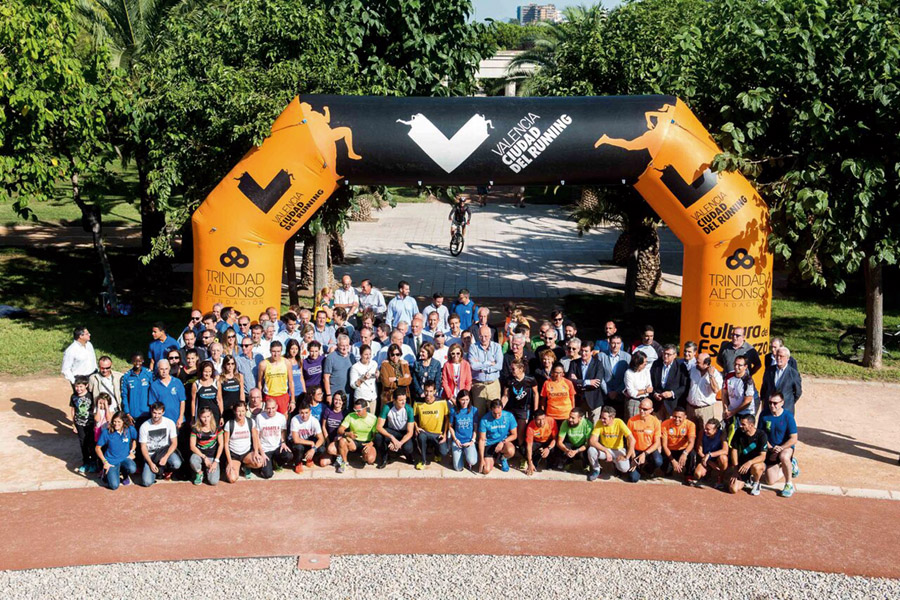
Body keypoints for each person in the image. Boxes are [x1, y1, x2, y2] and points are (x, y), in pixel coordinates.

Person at [759, 392, 800, 497]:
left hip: (785, 447)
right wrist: (770, 448)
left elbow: (794, 438)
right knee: (770, 481)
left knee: (784, 457)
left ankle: (789, 484)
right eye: (770, 403)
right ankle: (790, 466)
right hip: (771, 449)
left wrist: (781, 448)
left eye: (775, 403)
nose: (772, 405)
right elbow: (760, 434)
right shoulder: (764, 415)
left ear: (782, 403)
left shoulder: (788, 416)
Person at [587, 405, 638, 483]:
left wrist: (627, 457)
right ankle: (596, 470)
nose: (602, 420)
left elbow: (632, 440)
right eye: (601, 417)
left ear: (612, 418)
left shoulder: (619, 422)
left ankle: (616, 465)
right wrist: (606, 451)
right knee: (591, 450)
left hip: (618, 450)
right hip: (605, 450)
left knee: (624, 468)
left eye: (604, 418)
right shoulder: (599, 422)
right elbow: (592, 441)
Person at [138, 402, 182, 486]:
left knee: (176, 463)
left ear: (163, 412)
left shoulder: (170, 423)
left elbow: (174, 443)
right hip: (151, 455)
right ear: (151, 411)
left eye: (159, 413)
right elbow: (143, 447)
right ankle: (157, 472)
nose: (156, 416)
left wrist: (166, 457)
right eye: (154, 413)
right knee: (147, 482)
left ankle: (165, 471)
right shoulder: (144, 426)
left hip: (164, 451)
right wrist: (150, 463)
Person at [502, 359, 538, 453]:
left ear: (521, 369)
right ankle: (510, 451)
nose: (511, 371)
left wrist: (536, 409)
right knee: (511, 431)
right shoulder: (509, 380)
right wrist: (500, 408)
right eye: (511, 368)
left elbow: (535, 394)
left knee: (521, 433)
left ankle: (522, 452)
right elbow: (505, 395)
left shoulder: (530, 379)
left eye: (513, 369)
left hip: (524, 409)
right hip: (512, 409)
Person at [95, 411, 138, 490]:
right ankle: (106, 474)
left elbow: (134, 440)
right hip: (111, 461)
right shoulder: (107, 432)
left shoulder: (130, 429)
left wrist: (132, 451)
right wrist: (105, 462)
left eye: (119, 422)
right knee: (114, 486)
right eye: (114, 421)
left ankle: (125, 475)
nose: (116, 424)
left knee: (132, 468)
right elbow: (97, 448)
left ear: (123, 422)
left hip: (125, 458)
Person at [223, 401, 265, 482]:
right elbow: (226, 444)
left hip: (247, 453)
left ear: (246, 411)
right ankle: (235, 466)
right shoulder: (229, 424)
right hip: (234, 455)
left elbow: (255, 437)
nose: (241, 414)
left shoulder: (250, 422)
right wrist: (230, 461)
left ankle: (246, 466)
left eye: (243, 411)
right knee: (232, 479)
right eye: (238, 411)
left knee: (259, 462)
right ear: (234, 412)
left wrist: (256, 452)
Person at [374, 390, 416, 468]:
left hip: (403, 432)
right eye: (400, 400)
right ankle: (384, 457)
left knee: (408, 448)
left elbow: (410, 432)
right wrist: (392, 438)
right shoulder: (387, 407)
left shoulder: (409, 409)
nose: (403, 402)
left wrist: (399, 443)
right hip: (392, 431)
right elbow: (379, 427)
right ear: (394, 400)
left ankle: (408, 455)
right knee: (378, 436)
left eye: (405, 399)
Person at [729, 413, 768, 496]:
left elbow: (762, 456)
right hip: (743, 466)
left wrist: (750, 462)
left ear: (751, 425)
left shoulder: (762, 435)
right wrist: (735, 469)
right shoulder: (739, 432)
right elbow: (734, 450)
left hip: (756, 463)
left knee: (756, 467)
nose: (740, 426)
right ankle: (747, 480)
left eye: (743, 424)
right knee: (733, 489)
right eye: (740, 424)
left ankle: (756, 483)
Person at [335, 398, 378, 473]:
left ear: (365, 409)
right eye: (355, 410)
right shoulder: (350, 416)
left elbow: (376, 435)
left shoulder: (373, 418)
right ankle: (344, 463)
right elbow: (340, 430)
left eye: (358, 411)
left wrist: (371, 443)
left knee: (370, 459)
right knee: (342, 441)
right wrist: (347, 433)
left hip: (366, 443)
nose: (356, 413)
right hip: (353, 442)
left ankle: (364, 457)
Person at [413, 381, 450, 469]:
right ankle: (423, 461)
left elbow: (447, 418)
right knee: (421, 437)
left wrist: (445, 434)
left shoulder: (442, 401)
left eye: (430, 391)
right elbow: (413, 417)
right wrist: (416, 427)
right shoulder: (417, 402)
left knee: (444, 452)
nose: (428, 394)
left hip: (438, 433)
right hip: (424, 432)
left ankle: (437, 453)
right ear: (423, 390)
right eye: (426, 391)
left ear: (435, 391)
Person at [566, 341, 605, 421]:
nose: (583, 353)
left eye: (586, 351)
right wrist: (588, 382)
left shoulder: (598, 364)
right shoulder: (574, 363)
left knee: (593, 425)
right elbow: (570, 380)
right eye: (582, 350)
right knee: (579, 424)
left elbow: (597, 383)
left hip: (594, 400)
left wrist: (578, 381)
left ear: (592, 352)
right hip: (579, 400)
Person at [469, 326, 503, 414]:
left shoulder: (497, 347)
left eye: (486, 336)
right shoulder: (473, 347)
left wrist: (482, 367)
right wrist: (489, 363)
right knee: (478, 413)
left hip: (493, 385)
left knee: (495, 412)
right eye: (481, 336)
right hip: (478, 385)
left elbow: (499, 366)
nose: (483, 339)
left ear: (490, 335)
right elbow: (473, 366)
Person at [477, 399, 517, 474]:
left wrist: (503, 442)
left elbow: (514, 435)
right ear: (491, 409)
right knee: (486, 470)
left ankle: (503, 458)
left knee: (511, 450)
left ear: (502, 408)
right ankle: (494, 458)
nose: (497, 416)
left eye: (499, 413)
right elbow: (482, 440)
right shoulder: (484, 420)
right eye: (494, 413)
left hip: (503, 443)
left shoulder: (509, 416)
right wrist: (481, 459)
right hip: (489, 444)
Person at [626, 399, 663, 478]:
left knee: (658, 461)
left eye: (645, 409)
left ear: (651, 410)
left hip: (649, 450)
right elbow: (629, 441)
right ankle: (638, 467)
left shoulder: (655, 421)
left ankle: (647, 469)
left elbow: (657, 443)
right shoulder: (631, 421)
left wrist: (644, 454)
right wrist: (633, 457)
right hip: (635, 450)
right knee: (633, 479)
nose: (641, 411)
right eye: (640, 408)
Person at [685, 352, 722, 432]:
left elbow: (715, 390)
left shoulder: (716, 374)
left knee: (705, 432)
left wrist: (711, 375)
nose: (696, 363)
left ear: (706, 364)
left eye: (698, 362)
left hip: (705, 409)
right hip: (690, 408)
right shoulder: (693, 370)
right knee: (690, 431)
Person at [255, 398, 292, 479]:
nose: (270, 411)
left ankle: (276, 463)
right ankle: (266, 465)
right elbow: (256, 436)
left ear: (276, 407)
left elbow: (283, 431)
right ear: (265, 407)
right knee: (268, 475)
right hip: (265, 449)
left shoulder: (281, 417)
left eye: (273, 408)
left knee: (288, 455)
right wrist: (261, 452)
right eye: (268, 408)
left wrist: (283, 442)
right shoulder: (259, 417)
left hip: (277, 447)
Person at [760, 346, 803, 415]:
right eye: (777, 356)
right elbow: (764, 388)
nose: (778, 358)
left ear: (787, 358)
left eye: (781, 356)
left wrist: (789, 402)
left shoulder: (793, 374)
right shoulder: (769, 371)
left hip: (786, 409)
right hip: (769, 409)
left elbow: (798, 392)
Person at [723, 356, 757, 438]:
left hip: (745, 412)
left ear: (745, 367)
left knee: (745, 435)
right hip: (732, 411)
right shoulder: (729, 376)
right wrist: (725, 409)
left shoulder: (748, 380)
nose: (736, 367)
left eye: (739, 365)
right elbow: (724, 393)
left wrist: (733, 412)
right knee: (729, 434)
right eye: (735, 364)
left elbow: (747, 401)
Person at [649, 344, 687, 420]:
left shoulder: (681, 366)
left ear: (675, 355)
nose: (665, 356)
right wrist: (654, 393)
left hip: (672, 405)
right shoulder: (656, 364)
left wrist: (672, 393)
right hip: (657, 404)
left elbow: (684, 386)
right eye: (664, 353)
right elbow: (650, 381)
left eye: (668, 354)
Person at [258, 340, 295, 417]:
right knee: (269, 419)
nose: (276, 354)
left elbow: (291, 382)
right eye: (273, 351)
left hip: (282, 396)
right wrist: (260, 398)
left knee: (283, 420)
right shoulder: (263, 364)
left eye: (278, 351)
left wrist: (292, 400)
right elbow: (259, 382)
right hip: (269, 396)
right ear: (270, 351)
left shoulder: (287, 363)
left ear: (281, 351)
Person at [660, 407, 697, 483]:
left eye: (680, 417)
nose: (677, 419)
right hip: (670, 450)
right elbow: (664, 445)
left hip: (683, 449)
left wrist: (685, 454)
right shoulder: (665, 424)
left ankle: (689, 475)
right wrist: (673, 461)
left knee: (692, 454)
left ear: (685, 417)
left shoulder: (690, 425)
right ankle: (668, 470)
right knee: (667, 470)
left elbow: (691, 442)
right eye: (675, 416)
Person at [189, 406, 222, 485]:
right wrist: (204, 457)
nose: (206, 419)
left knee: (213, 482)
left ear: (211, 416)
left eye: (208, 416)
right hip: (200, 455)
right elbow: (192, 446)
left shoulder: (217, 428)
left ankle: (207, 470)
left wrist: (216, 461)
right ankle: (199, 473)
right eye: (203, 417)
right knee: (193, 460)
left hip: (212, 456)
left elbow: (221, 445)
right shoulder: (195, 429)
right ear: (199, 417)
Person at [70, 375, 97, 474]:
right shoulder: (73, 396)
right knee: (83, 443)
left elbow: (94, 409)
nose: (78, 389)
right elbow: (73, 410)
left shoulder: (91, 396)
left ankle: (94, 462)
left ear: (86, 385)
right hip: (79, 424)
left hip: (90, 423)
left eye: (81, 386)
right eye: (77, 386)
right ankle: (86, 462)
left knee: (91, 442)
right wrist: (74, 423)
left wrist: (96, 423)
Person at [693, 418, 729, 489]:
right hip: (705, 458)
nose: (705, 431)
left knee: (723, 458)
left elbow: (725, 450)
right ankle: (707, 474)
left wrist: (710, 455)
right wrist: (708, 461)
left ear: (716, 430)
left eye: (708, 429)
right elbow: (699, 450)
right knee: (697, 474)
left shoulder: (722, 434)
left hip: (717, 458)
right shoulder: (702, 432)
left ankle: (720, 479)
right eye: (705, 428)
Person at [599, 336, 630, 416]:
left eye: (618, 343)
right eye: (613, 343)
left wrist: (617, 391)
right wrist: (607, 391)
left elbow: (628, 377)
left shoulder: (627, 357)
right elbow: (599, 376)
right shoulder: (601, 356)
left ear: (621, 344)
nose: (615, 346)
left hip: (620, 395)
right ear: (609, 343)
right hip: (605, 394)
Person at [149, 359, 186, 428]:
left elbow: (182, 401)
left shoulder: (177, 382)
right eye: (161, 369)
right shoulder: (154, 385)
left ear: (169, 368)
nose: (164, 371)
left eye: (166, 369)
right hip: (163, 421)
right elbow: (153, 405)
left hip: (177, 420)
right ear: (158, 369)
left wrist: (181, 417)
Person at [554, 406, 592, 471]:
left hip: (582, 446)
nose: (570, 419)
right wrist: (566, 450)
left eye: (573, 418)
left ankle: (586, 464)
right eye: (570, 417)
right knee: (561, 448)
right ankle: (568, 462)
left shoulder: (588, 424)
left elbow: (588, 444)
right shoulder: (565, 423)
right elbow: (559, 442)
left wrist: (576, 451)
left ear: (580, 418)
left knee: (588, 450)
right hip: (570, 444)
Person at [449, 390, 479, 472]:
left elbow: (475, 427)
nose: (465, 402)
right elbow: (450, 427)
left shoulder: (474, 410)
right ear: (458, 399)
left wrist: (472, 441)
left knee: (473, 461)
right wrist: (455, 439)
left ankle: (467, 455)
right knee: (458, 468)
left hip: (469, 441)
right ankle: (459, 456)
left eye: (467, 399)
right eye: (462, 400)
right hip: (458, 441)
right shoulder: (453, 410)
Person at [290, 402, 325, 472]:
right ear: (299, 412)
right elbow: (296, 439)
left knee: (321, 449)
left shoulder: (314, 421)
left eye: (306, 413)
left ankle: (309, 459)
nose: (304, 415)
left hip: (308, 441)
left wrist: (313, 449)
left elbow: (321, 439)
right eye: (302, 413)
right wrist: (311, 443)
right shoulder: (295, 419)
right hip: (297, 443)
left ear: (310, 412)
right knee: (299, 448)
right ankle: (298, 463)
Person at [540, 363, 576, 427]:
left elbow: (572, 399)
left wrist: (572, 413)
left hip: (566, 415)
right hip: (551, 415)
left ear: (563, 373)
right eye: (556, 372)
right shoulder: (547, 383)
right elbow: (543, 400)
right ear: (552, 372)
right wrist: (542, 413)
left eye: (560, 373)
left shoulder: (568, 382)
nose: (558, 375)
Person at [323, 334, 356, 403]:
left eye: (347, 345)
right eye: (342, 346)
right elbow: (326, 377)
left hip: (349, 394)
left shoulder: (352, 357)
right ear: (337, 345)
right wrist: (328, 394)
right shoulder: (330, 358)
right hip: (335, 395)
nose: (345, 348)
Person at [524, 409, 558, 476]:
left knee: (555, 448)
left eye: (543, 419)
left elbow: (555, 439)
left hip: (548, 442)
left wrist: (548, 448)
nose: (541, 422)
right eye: (539, 420)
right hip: (537, 442)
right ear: (534, 419)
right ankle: (532, 461)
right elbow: (529, 446)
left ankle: (550, 463)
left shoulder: (551, 421)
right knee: (524, 449)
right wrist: (530, 463)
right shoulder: (530, 426)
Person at [121, 352, 152, 423]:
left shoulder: (149, 374)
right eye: (135, 361)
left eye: (139, 361)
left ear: (143, 360)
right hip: (133, 414)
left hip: (147, 412)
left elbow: (153, 393)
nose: (137, 363)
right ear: (132, 362)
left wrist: (152, 409)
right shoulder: (126, 376)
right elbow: (124, 395)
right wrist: (127, 412)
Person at [379, 343, 412, 408]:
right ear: (389, 355)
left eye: (397, 354)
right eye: (392, 354)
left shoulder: (404, 364)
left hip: (404, 396)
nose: (395, 357)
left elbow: (408, 380)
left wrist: (396, 379)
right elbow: (386, 383)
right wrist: (403, 379)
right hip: (390, 397)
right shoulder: (385, 365)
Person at [348, 344, 378, 412]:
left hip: (373, 397)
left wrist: (378, 375)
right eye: (366, 354)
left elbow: (376, 378)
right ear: (361, 355)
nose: (368, 356)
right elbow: (352, 385)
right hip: (361, 398)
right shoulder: (355, 367)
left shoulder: (374, 364)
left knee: (371, 417)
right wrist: (363, 379)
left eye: (369, 354)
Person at [623, 351, 653, 420]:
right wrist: (645, 391)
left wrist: (639, 391)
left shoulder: (646, 371)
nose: (646, 363)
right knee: (633, 422)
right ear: (638, 363)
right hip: (633, 402)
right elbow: (631, 393)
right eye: (644, 362)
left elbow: (650, 388)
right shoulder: (629, 373)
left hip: (645, 401)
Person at [319, 393, 346, 467]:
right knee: (322, 463)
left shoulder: (345, 412)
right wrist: (327, 440)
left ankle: (342, 457)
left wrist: (339, 438)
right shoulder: (328, 410)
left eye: (340, 400)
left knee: (330, 449)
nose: (337, 402)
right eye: (336, 399)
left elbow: (346, 430)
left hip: (339, 440)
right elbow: (323, 426)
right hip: (329, 438)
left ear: (343, 402)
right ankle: (335, 457)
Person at [192, 361, 222, 428]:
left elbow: (220, 400)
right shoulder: (196, 384)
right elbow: (193, 402)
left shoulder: (216, 383)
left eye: (209, 371)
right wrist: (193, 416)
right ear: (201, 371)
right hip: (202, 416)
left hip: (215, 414)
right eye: (205, 371)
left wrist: (221, 416)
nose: (207, 374)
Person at [218, 355, 244, 424]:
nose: (230, 366)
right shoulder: (220, 378)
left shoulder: (239, 376)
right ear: (224, 365)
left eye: (232, 364)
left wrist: (243, 408)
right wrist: (221, 415)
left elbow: (242, 394)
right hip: (226, 410)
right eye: (228, 364)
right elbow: (219, 398)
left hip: (237, 410)